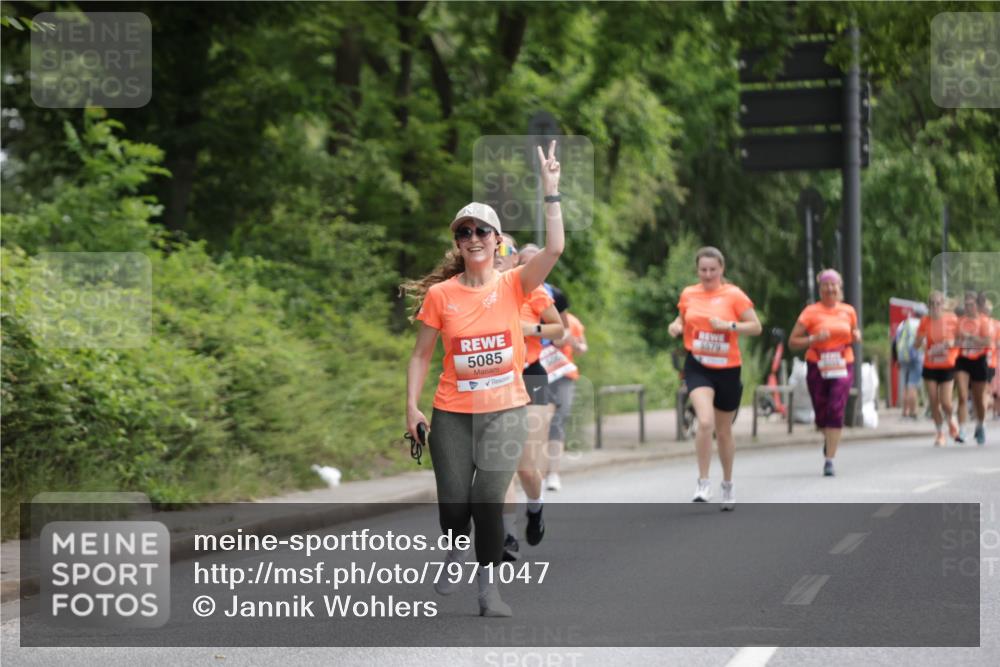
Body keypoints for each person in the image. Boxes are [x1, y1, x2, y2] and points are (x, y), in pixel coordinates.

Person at [402, 141, 563, 617]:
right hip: (451, 413)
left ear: (497, 241)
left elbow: (554, 247)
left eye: (481, 230)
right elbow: (420, 355)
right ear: (458, 243)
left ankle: (489, 591)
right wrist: (411, 407)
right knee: (454, 504)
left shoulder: (515, 285)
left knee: (487, 498)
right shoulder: (441, 296)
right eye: (464, 231)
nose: (472, 237)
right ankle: (454, 549)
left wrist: (551, 191)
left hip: (506, 410)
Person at [667, 247, 762, 510]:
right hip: (698, 365)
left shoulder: (733, 295)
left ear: (721, 269)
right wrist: (676, 326)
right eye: (703, 270)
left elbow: (755, 326)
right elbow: (682, 318)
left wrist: (729, 326)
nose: (707, 274)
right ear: (697, 270)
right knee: (705, 421)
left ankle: (728, 484)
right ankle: (703, 481)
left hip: (728, 368)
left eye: (712, 270)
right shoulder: (689, 293)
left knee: (724, 431)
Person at [788, 269, 862, 477]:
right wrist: (813, 339)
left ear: (840, 288)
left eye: (834, 286)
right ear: (820, 289)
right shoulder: (810, 312)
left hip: (842, 363)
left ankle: (829, 459)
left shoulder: (848, 311)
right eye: (825, 286)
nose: (830, 289)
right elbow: (793, 342)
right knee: (821, 414)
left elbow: (854, 332)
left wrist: (856, 336)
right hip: (817, 364)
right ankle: (828, 438)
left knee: (836, 408)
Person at [544, 310, 587, 491]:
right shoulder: (536, 316)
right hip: (539, 375)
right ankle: (536, 473)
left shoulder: (572, 321)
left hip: (564, 375)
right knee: (538, 424)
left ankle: (553, 474)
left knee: (558, 422)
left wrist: (574, 343)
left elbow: (583, 348)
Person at [915, 290, 959, 446]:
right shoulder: (925, 321)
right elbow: (916, 345)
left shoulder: (952, 320)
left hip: (947, 365)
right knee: (933, 401)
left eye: (938, 304)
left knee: (945, 401)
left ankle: (951, 419)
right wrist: (919, 340)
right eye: (932, 304)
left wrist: (951, 343)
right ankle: (940, 433)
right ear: (929, 306)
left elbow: (958, 339)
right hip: (931, 365)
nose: (935, 307)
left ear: (943, 305)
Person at [955, 291, 992, 445]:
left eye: (971, 304)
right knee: (963, 396)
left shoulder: (983, 321)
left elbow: (987, 342)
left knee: (978, 400)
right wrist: (957, 340)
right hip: (963, 360)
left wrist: (969, 337)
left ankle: (980, 425)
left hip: (979, 360)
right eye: (966, 304)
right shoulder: (960, 321)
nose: (968, 307)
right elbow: (955, 341)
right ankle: (962, 430)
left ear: (977, 306)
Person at [894, 306, 925, 420]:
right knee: (913, 384)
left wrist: (896, 357)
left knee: (906, 384)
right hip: (916, 356)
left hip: (903, 357)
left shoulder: (904, 323)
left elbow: (896, 340)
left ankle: (904, 411)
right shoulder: (920, 325)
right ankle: (914, 411)